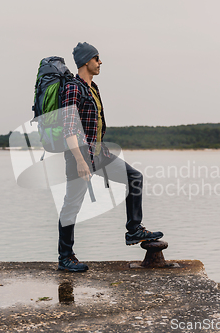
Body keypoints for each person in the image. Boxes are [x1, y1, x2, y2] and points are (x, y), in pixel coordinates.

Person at [57, 42, 164, 272]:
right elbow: (68, 129)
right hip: (80, 156)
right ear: (86, 61)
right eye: (97, 58)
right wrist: (80, 160)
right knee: (72, 206)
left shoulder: (93, 88)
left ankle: (134, 229)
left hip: (99, 152)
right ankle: (65, 257)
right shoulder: (73, 89)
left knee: (134, 177)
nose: (100, 62)